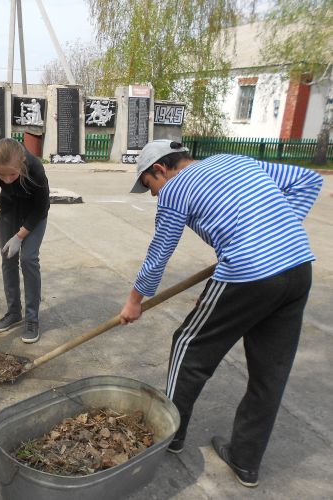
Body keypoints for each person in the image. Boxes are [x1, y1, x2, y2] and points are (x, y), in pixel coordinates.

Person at [119, 140, 322, 487]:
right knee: (270, 372)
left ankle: (172, 434)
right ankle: (245, 461)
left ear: (160, 170)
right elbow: (308, 180)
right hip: (297, 266)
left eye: (150, 186)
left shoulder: (175, 189)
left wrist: (135, 300)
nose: (153, 195)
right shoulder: (235, 160)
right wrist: (275, 231)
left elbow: (160, 252)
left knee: (189, 345)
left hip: (250, 271)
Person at [0, 138, 49, 343]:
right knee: (8, 259)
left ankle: (32, 319)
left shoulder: (35, 169)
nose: (7, 179)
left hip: (34, 215)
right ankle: (13, 312)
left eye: (12, 174)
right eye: (2, 174)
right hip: (9, 211)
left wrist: (20, 237)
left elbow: (41, 208)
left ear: (22, 163)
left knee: (28, 259)